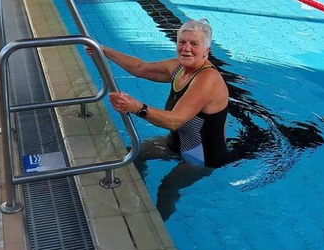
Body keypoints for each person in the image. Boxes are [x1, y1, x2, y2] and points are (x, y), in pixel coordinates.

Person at [92, 18, 229, 169]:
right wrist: (102, 51)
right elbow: (140, 67)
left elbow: (175, 121)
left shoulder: (207, 79)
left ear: (206, 51)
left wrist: (137, 107)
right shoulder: (178, 67)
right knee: (130, 155)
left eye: (194, 44)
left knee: (165, 191)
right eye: (182, 42)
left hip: (202, 158)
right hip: (175, 143)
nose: (186, 48)